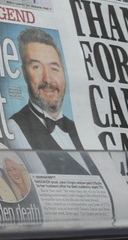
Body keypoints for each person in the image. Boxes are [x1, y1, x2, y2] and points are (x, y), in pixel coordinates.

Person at [7, 27, 93, 175]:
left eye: (54, 68)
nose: (47, 79)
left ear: (64, 73)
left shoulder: (79, 129)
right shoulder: (15, 126)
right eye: (37, 67)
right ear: (25, 73)